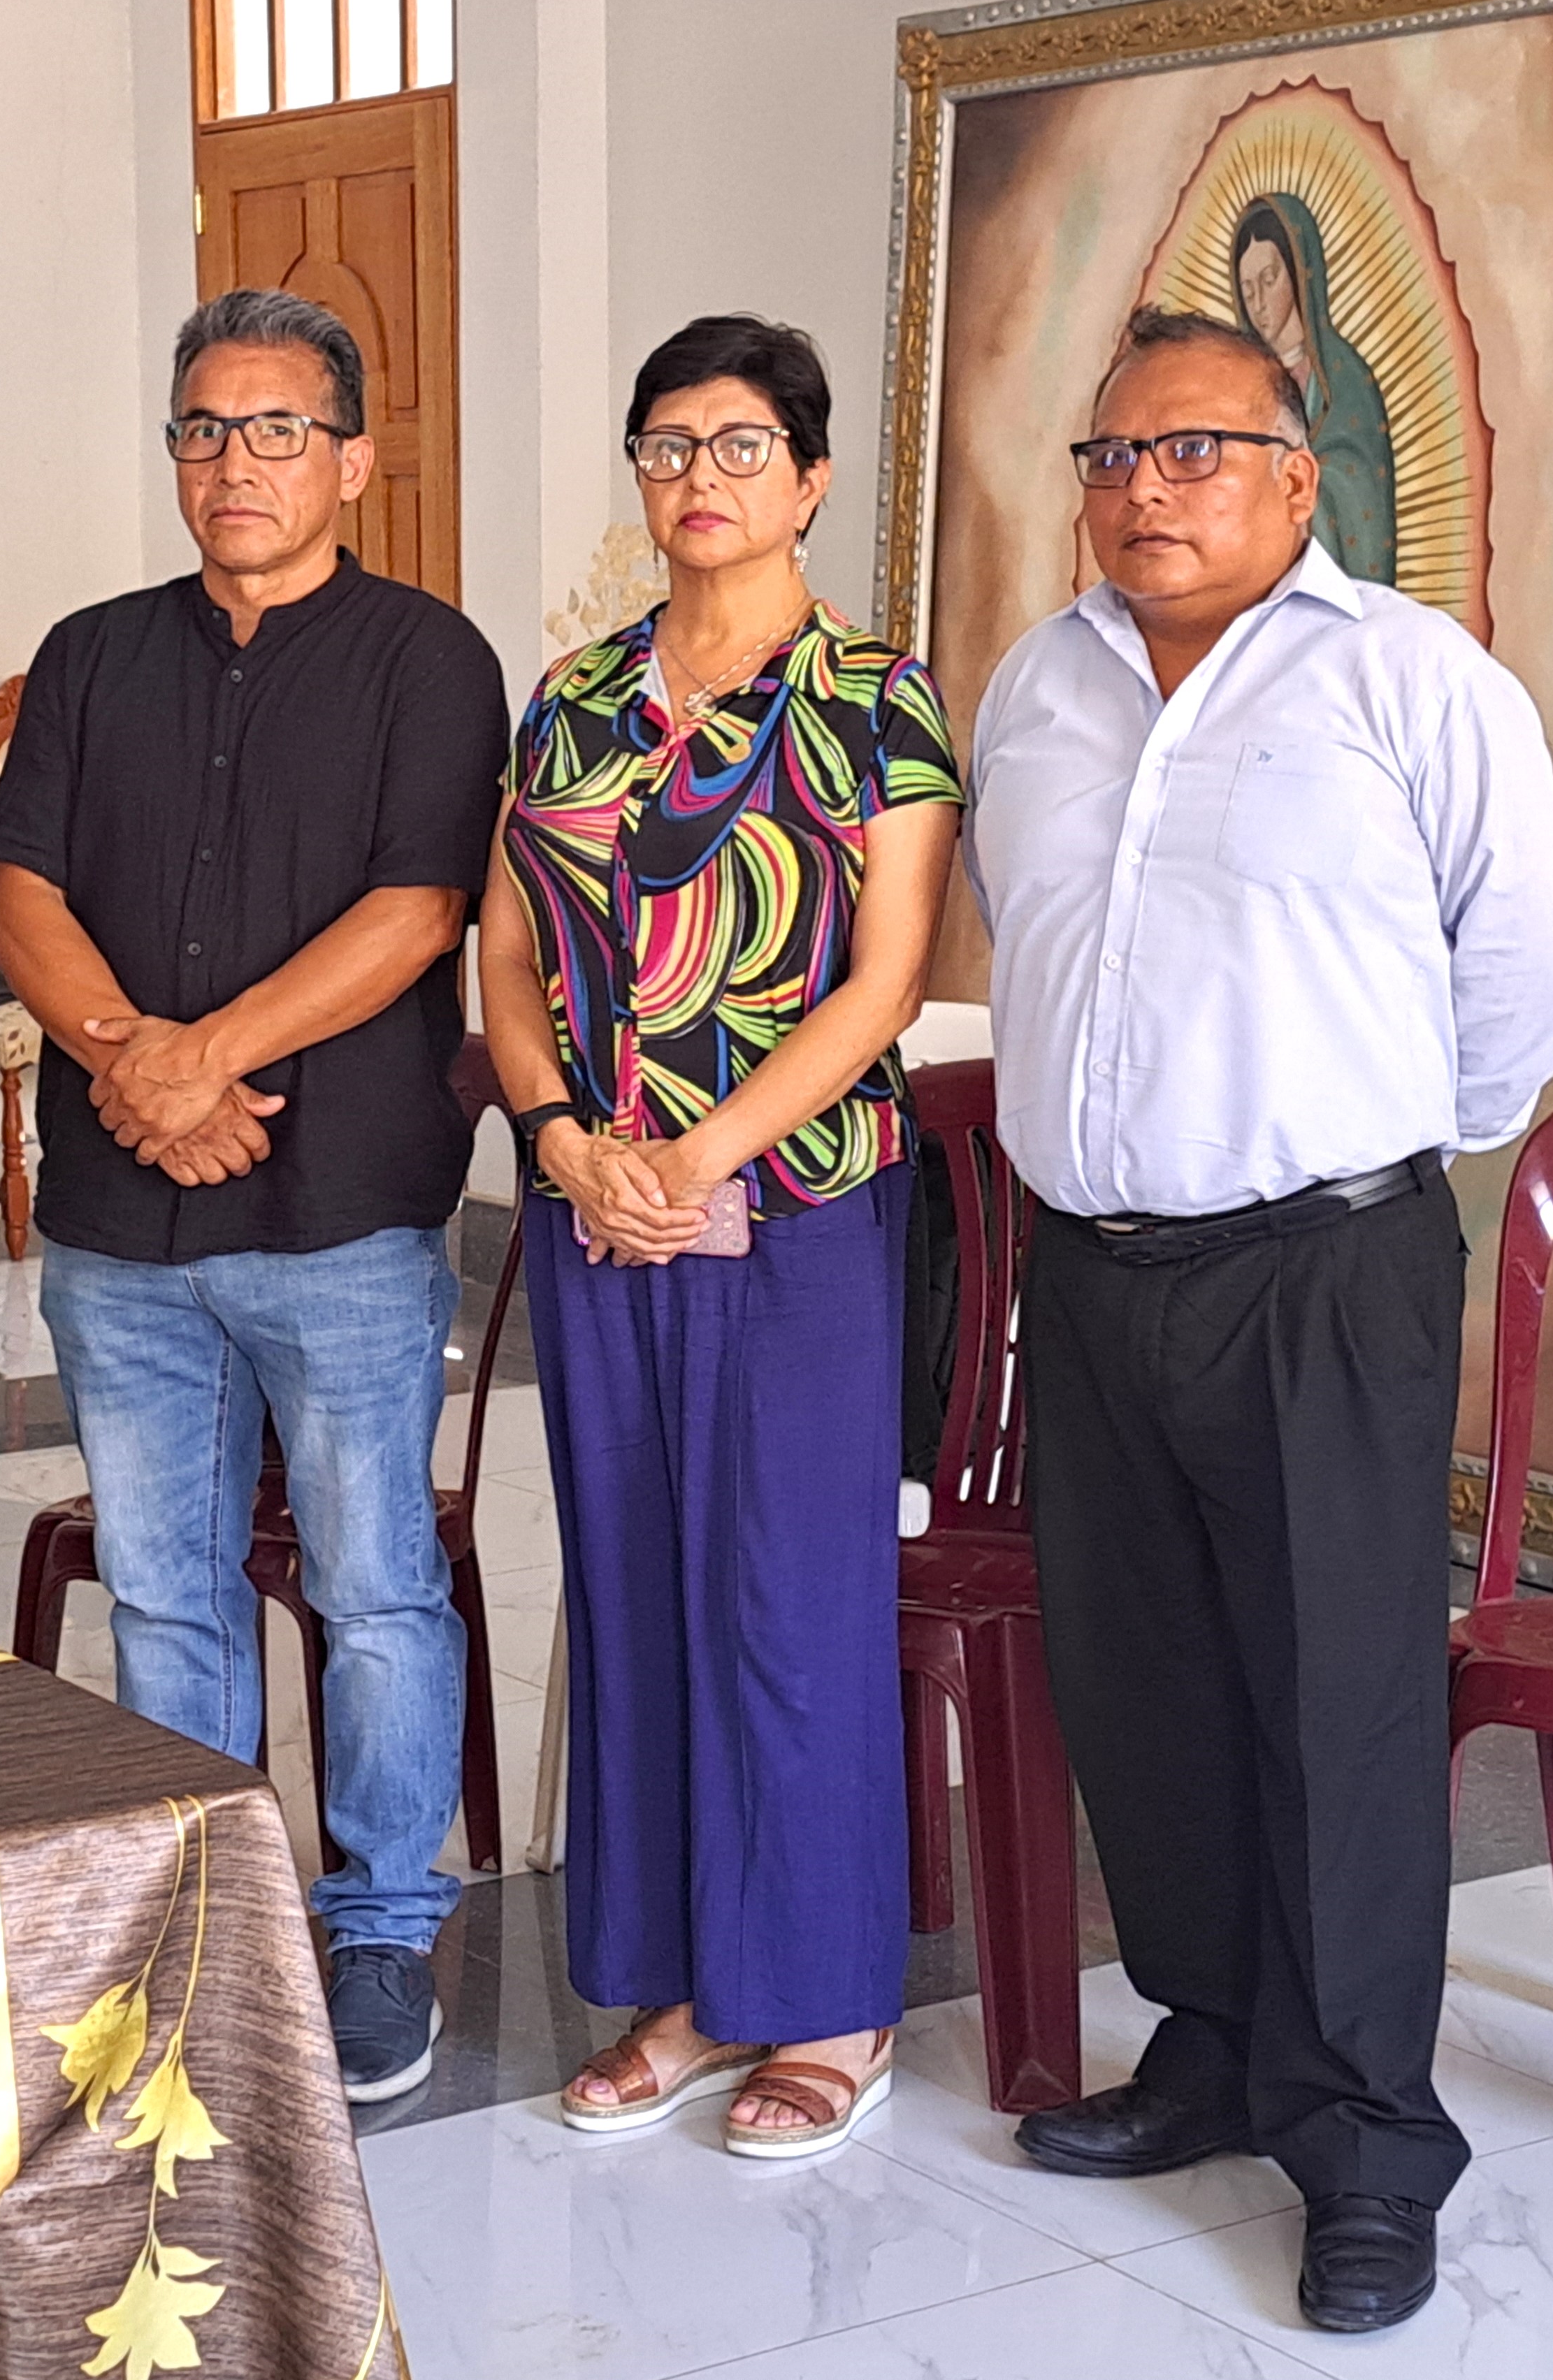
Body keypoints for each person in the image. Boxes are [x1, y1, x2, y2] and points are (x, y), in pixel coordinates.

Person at [969, 307, 1553, 2331]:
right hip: (1094, 1269)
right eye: (1112, 455)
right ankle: (1216, 2043)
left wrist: (1384, 1146)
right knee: (1143, 1680)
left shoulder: (1408, 678)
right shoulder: (1035, 685)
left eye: (1193, 451)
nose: (1142, 489)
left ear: (1295, 473)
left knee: (1338, 1699)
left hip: (1322, 1269)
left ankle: (1363, 2136)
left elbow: (1534, 948)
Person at [0, 288, 510, 2103]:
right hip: (123, 1229)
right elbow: (17, 888)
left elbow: (414, 914)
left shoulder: (427, 659)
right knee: (167, 1595)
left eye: (277, 428)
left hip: (339, 1218)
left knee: (372, 1588)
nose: (235, 462)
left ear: (351, 459)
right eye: (203, 428)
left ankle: (378, 1930)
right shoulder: (92, 654)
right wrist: (133, 1057)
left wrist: (198, 1057)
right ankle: (201, 1920)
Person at [482, 315, 961, 2158]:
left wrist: (696, 1157)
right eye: (669, 445)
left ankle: (827, 2000)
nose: (701, 477)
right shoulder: (577, 697)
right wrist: (561, 1138)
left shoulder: (875, 698)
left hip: (798, 1211)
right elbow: (504, 953)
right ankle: (682, 1987)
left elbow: (885, 979)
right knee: (633, 1583)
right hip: (598, 1213)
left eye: (742, 445)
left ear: (810, 479)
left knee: (787, 1597)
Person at [1226, 193, 1399, 588]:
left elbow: (1358, 486)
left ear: (1299, 272)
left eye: (1269, 280)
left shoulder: (1343, 380)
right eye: (1248, 290)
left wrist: (1283, 486)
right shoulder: (1238, 388)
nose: (1259, 303)